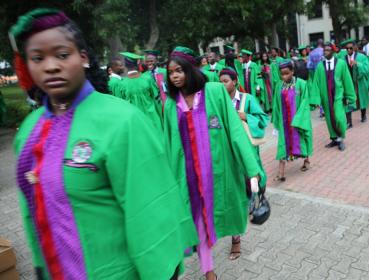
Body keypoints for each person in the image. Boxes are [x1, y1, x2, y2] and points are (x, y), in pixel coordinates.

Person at [10, 9, 198, 280]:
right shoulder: (29, 130)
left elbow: (150, 212)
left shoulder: (122, 121)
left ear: (83, 57)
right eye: (37, 58)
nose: (50, 66)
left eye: (62, 55)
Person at [164, 46, 262, 280]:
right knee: (197, 226)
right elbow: (168, 146)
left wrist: (252, 170)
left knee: (223, 214)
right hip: (189, 180)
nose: (175, 76)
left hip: (218, 175)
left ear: (190, 69)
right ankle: (210, 272)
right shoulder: (170, 105)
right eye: (170, 72)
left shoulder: (215, 93)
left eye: (179, 70)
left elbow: (236, 132)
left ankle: (234, 240)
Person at [219, 67, 268, 260]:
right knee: (235, 195)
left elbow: (263, 119)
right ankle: (236, 240)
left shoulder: (247, 100)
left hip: (247, 153)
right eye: (220, 81)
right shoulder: (218, 102)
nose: (222, 84)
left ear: (235, 81)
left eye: (225, 81)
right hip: (228, 155)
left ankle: (256, 203)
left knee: (253, 185)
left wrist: (246, 116)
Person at [272, 60, 312, 181]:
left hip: (298, 120)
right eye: (282, 74)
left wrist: (299, 120)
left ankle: (306, 161)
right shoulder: (279, 85)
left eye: (287, 73)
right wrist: (276, 122)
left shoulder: (301, 84)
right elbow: (276, 105)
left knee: (303, 140)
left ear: (293, 71)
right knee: (282, 144)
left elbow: (305, 103)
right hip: (284, 122)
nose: (284, 77)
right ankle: (281, 172)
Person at [312, 42, 356, 151]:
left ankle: (341, 138)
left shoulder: (341, 63)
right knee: (329, 118)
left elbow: (347, 80)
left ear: (333, 51)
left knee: (339, 118)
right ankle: (334, 138)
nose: (325, 52)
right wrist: (316, 99)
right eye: (324, 50)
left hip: (337, 97)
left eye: (327, 50)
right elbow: (316, 83)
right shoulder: (320, 66)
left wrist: (350, 97)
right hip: (326, 97)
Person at [119, 54, 163, 131]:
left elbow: (121, 105)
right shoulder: (147, 78)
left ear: (126, 66)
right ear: (138, 63)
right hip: (152, 117)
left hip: (134, 120)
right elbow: (157, 99)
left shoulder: (122, 84)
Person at [341, 39, 369, 126]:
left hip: (359, 82)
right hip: (348, 84)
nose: (349, 50)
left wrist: (357, 63)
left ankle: (363, 115)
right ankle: (349, 122)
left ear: (354, 48)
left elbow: (366, 69)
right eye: (347, 48)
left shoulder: (361, 57)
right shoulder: (343, 59)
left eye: (350, 48)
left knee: (361, 99)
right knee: (348, 101)